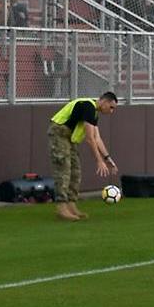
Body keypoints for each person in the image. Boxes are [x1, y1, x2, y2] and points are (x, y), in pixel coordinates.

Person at [46, 91, 118, 222]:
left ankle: (71, 205)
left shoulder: (94, 113)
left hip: (70, 139)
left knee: (76, 171)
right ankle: (62, 207)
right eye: (111, 107)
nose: (111, 111)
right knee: (64, 170)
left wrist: (107, 159)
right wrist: (99, 161)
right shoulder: (88, 106)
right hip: (59, 133)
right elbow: (90, 139)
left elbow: (97, 138)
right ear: (104, 102)